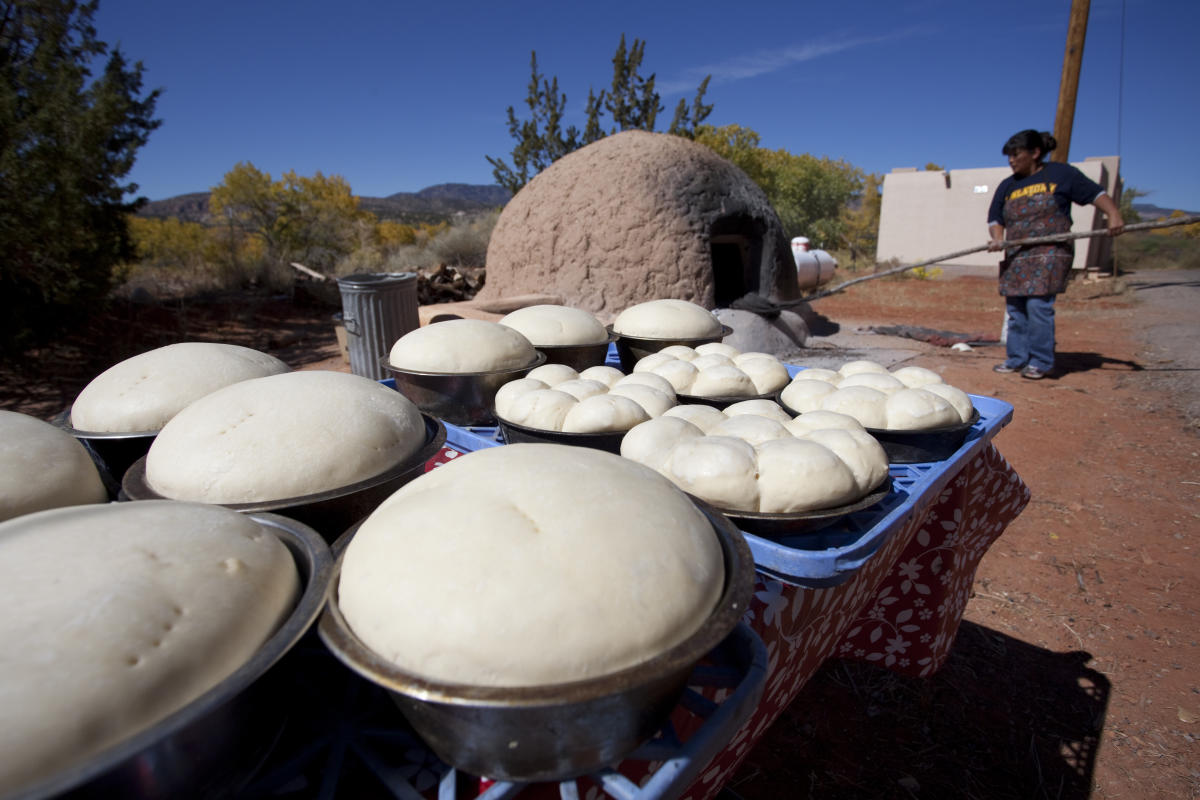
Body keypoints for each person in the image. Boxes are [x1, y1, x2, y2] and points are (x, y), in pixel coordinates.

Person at [986, 129, 1124, 379]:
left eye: (1016, 155)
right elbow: (995, 218)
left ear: (1035, 153)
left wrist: (1112, 213)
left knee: (1038, 306)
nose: (1011, 161)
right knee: (1016, 311)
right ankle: (1017, 358)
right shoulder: (1008, 185)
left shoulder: (1061, 174)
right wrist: (998, 240)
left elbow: (1096, 194)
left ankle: (1040, 361)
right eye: (1009, 156)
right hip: (1017, 256)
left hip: (1050, 253)